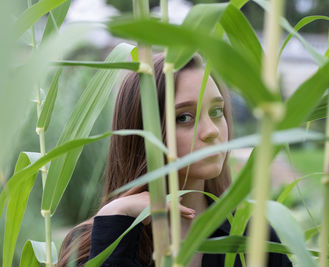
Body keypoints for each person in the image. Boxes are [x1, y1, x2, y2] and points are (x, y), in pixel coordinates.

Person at [58, 53, 292, 267]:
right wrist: (116, 217)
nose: (212, 131)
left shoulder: (254, 237)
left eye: (216, 112)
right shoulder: (90, 245)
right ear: (141, 131)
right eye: (184, 117)